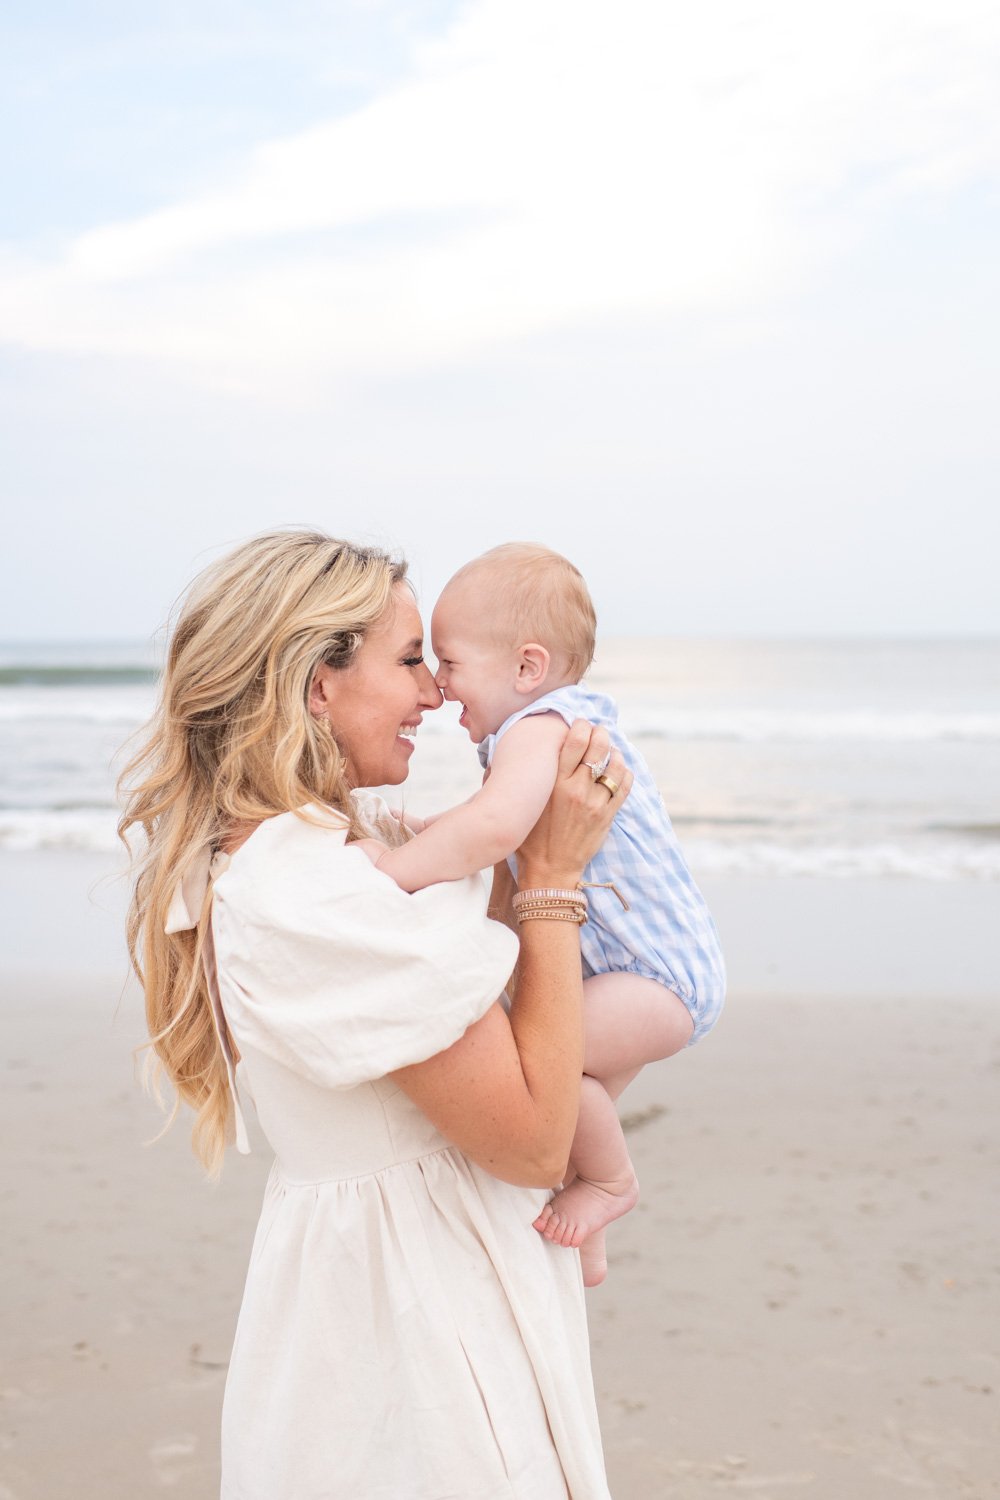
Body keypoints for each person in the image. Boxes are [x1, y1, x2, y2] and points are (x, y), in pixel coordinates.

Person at [118, 529, 632, 1500]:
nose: (436, 694)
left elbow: (489, 977)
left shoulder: (341, 846)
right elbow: (530, 1142)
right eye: (408, 662)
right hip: (414, 1321)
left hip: (403, 1282)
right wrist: (555, 877)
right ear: (317, 684)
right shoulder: (305, 892)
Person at [363, 543, 725, 1287]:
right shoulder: (544, 728)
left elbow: (496, 829)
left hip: (650, 974)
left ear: (527, 668)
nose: (438, 685)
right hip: (640, 967)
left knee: (552, 1076)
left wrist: (393, 871)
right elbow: (500, 823)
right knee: (564, 1110)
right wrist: (436, 832)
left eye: (449, 661)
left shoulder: (541, 726)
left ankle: (611, 1186)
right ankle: (579, 1229)